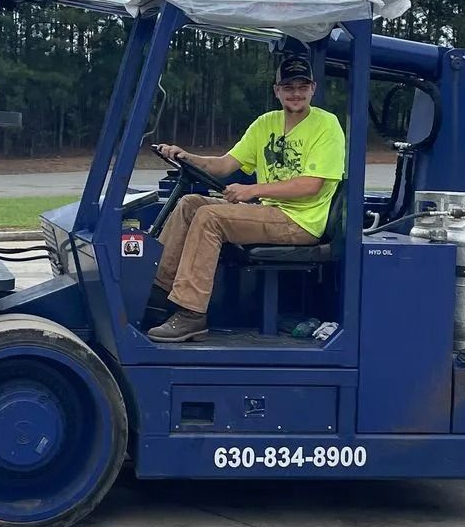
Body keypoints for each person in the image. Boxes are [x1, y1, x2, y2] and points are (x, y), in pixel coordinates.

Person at [146, 50, 345, 342]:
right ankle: (158, 293)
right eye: (289, 87)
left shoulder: (327, 125)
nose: (296, 94)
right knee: (190, 204)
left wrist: (252, 190)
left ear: (312, 89)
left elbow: (311, 185)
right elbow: (226, 164)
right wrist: (188, 157)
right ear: (277, 91)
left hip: (300, 221)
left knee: (211, 216)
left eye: (303, 87)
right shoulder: (265, 124)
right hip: (270, 213)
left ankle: (191, 314)